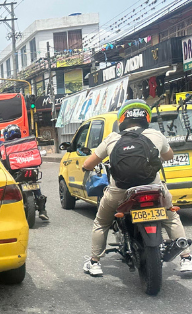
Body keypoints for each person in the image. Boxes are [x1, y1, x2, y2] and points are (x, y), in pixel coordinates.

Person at [82, 99, 192, 276]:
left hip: (120, 191)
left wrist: (86, 168)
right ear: (146, 117)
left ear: (122, 119)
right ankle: (186, 258)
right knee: (171, 217)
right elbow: (169, 156)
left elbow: (88, 163)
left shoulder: (112, 138)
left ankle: (94, 262)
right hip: (154, 188)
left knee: (101, 222)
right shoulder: (156, 135)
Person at [0, 125, 49, 221]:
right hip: (32, 170)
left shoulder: (4, 146)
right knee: (35, 185)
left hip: (16, 173)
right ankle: (42, 210)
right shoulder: (28, 141)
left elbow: (2, 160)